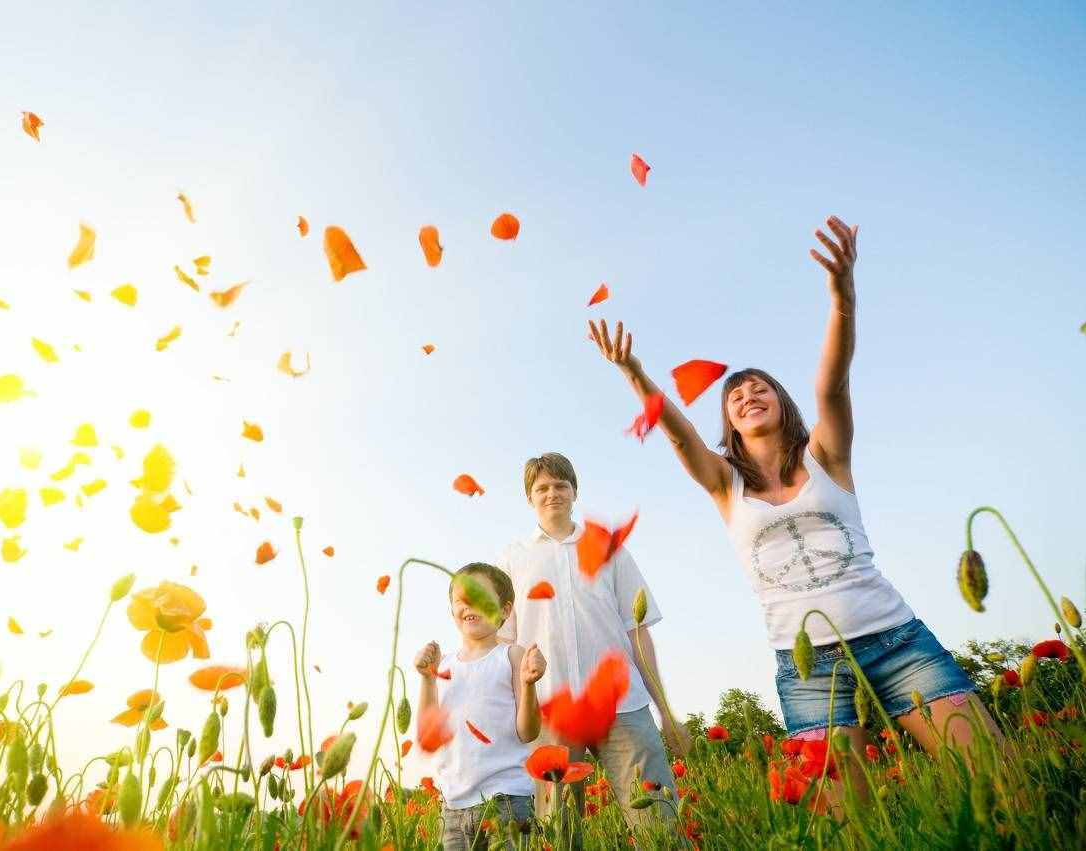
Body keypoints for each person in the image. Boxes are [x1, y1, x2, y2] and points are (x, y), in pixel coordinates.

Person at [588, 215, 1000, 795]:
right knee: (847, 819)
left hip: (895, 639)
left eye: (759, 387)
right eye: (735, 395)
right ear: (729, 422)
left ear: (781, 401)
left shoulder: (828, 455)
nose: (748, 394)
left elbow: (832, 385)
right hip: (808, 665)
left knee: (996, 779)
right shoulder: (723, 484)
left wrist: (843, 296)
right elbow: (679, 435)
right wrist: (633, 371)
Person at [495, 452, 688, 827]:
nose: (552, 493)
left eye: (560, 486)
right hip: (551, 709)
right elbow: (506, 646)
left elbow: (639, 631)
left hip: (623, 706)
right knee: (559, 830)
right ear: (529, 497)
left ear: (575, 491)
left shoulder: (609, 549)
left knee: (658, 819)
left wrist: (665, 710)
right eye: (542, 488)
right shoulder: (512, 559)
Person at [415, 562, 546, 851]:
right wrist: (427, 679)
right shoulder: (444, 665)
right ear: (452, 612)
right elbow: (428, 736)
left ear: (505, 610)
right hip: (453, 808)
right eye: (462, 600)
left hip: (507, 801)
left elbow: (528, 732)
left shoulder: (511, 656)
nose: (469, 605)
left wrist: (528, 684)